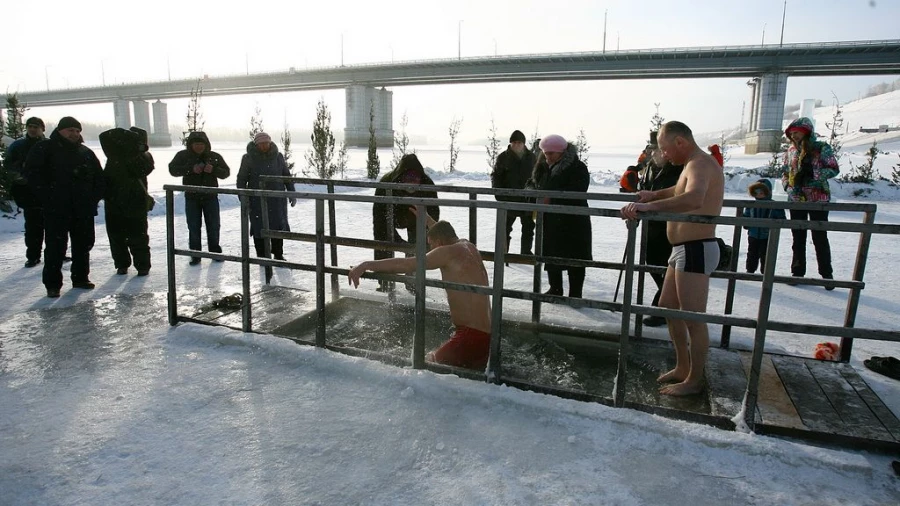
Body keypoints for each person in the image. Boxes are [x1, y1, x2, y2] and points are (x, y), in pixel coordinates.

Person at [620, 120, 725, 396]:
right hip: (682, 249)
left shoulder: (700, 163)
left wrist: (648, 206)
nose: (664, 155)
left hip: (696, 247)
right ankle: (682, 365)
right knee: (668, 306)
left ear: (681, 142)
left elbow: (693, 198)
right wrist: (653, 193)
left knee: (692, 318)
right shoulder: (691, 165)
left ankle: (694, 379)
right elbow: (679, 191)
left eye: (666, 149)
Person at [348, 208, 492, 370]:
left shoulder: (447, 252)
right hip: (487, 337)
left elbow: (405, 264)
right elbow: (445, 231)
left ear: (439, 243)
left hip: (469, 337)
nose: (431, 249)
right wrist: (428, 220)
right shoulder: (468, 246)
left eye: (431, 245)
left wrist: (367, 264)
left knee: (423, 367)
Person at [25, 116, 105, 298]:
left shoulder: (85, 152)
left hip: (82, 209)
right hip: (57, 209)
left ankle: (80, 278)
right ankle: (53, 285)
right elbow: (32, 175)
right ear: (60, 130)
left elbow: (99, 179)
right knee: (55, 247)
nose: (74, 134)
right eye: (70, 130)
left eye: (77, 131)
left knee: (83, 245)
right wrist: (48, 197)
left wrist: (92, 199)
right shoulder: (44, 148)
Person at [781, 117, 840, 288]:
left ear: (806, 131)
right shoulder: (790, 151)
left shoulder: (821, 148)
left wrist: (815, 174)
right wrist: (788, 187)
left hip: (818, 198)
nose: (794, 136)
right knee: (797, 237)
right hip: (796, 199)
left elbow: (834, 169)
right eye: (792, 133)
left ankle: (827, 275)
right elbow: (785, 172)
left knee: (819, 237)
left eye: (797, 132)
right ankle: (797, 272)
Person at [530, 134, 591, 298]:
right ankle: (555, 288)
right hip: (551, 219)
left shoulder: (577, 167)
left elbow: (578, 190)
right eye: (545, 153)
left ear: (562, 152)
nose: (547, 156)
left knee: (575, 258)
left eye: (551, 153)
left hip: (573, 220)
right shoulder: (543, 167)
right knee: (551, 254)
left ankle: (575, 293)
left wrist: (551, 195)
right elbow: (534, 184)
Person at [372, 154, 439, 292]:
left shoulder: (428, 185)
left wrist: (429, 237)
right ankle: (384, 280)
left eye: (415, 178)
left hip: (417, 217)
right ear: (400, 177)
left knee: (417, 246)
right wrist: (397, 242)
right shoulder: (386, 183)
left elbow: (433, 215)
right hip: (391, 216)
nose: (412, 182)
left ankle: (413, 282)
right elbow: (379, 220)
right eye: (408, 178)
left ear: (421, 178)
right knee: (384, 244)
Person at [638, 132, 683, 327]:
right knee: (652, 263)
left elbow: (681, 194)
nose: (653, 152)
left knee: (667, 266)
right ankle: (669, 302)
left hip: (672, 224)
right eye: (652, 148)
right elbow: (644, 188)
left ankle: (662, 306)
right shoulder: (650, 167)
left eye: (657, 148)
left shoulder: (679, 167)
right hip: (652, 224)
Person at [99, 127, 155, 276]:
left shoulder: (143, 156)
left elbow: (141, 170)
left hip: (135, 201)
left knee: (138, 236)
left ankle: (142, 266)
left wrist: (132, 148)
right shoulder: (115, 155)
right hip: (113, 201)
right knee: (116, 237)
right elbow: (104, 136)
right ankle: (121, 264)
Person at [168, 131, 230, 265]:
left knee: (213, 225)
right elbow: (172, 169)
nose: (199, 147)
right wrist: (190, 169)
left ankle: (215, 251)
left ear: (206, 144)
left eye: (201, 144)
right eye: (196, 144)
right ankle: (195, 254)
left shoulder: (214, 156)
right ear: (191, 145)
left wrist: (213, 170)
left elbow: (226, 172)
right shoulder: (183, 156)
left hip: (211, 197)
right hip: (192, 197)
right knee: (193, 226)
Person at [237, 132, 296, 259]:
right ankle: (262, 255)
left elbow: (286, 176)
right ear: (256, 144)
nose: (264, 146)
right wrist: (243, 197)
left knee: (277, 227)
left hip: (277, 200)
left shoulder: (278, 157)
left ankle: (278, 253)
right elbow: (241, 179)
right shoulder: (248, 158)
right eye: (261, 144)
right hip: (257, 199)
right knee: (259, 227)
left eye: (266, 143)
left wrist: (291, 192)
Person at [3, 116, 47, 267]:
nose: (33, 129)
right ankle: (33, 256)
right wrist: (19, 178)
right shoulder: (18, 146)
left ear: (43, 129)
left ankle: (56, 254)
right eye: (30, 126)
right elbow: (8, 165)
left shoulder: (50, 146)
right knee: (33, 226)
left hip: (49, 192)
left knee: (55, 227)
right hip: (29, 193)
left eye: (36, 126)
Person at [491, 129, 537, 256]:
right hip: (508, 199)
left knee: (528, 229)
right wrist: (499, 194)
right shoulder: (503, 157)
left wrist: (535, 191)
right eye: (514, 142)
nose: (517, 145)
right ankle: (503, 253)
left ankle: (526, 253)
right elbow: (496, 176)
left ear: (524, 143)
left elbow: (537, 176)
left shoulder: (532, 157)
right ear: (510, 143)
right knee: (505, 229)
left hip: (527, 200)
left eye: (519, 142)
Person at [743, 179, 786, 274]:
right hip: (753, 234)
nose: (759, 194)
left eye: (761, 192)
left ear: (768, 192)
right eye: (756, 192)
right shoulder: (751, 205)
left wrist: (778, 215)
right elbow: (746, 215)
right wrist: (745, 223)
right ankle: (750, 270)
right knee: (752, 253)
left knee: (766, 254)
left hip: (768, 235)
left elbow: (782, 218)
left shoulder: (774, 204)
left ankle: (765, 272)